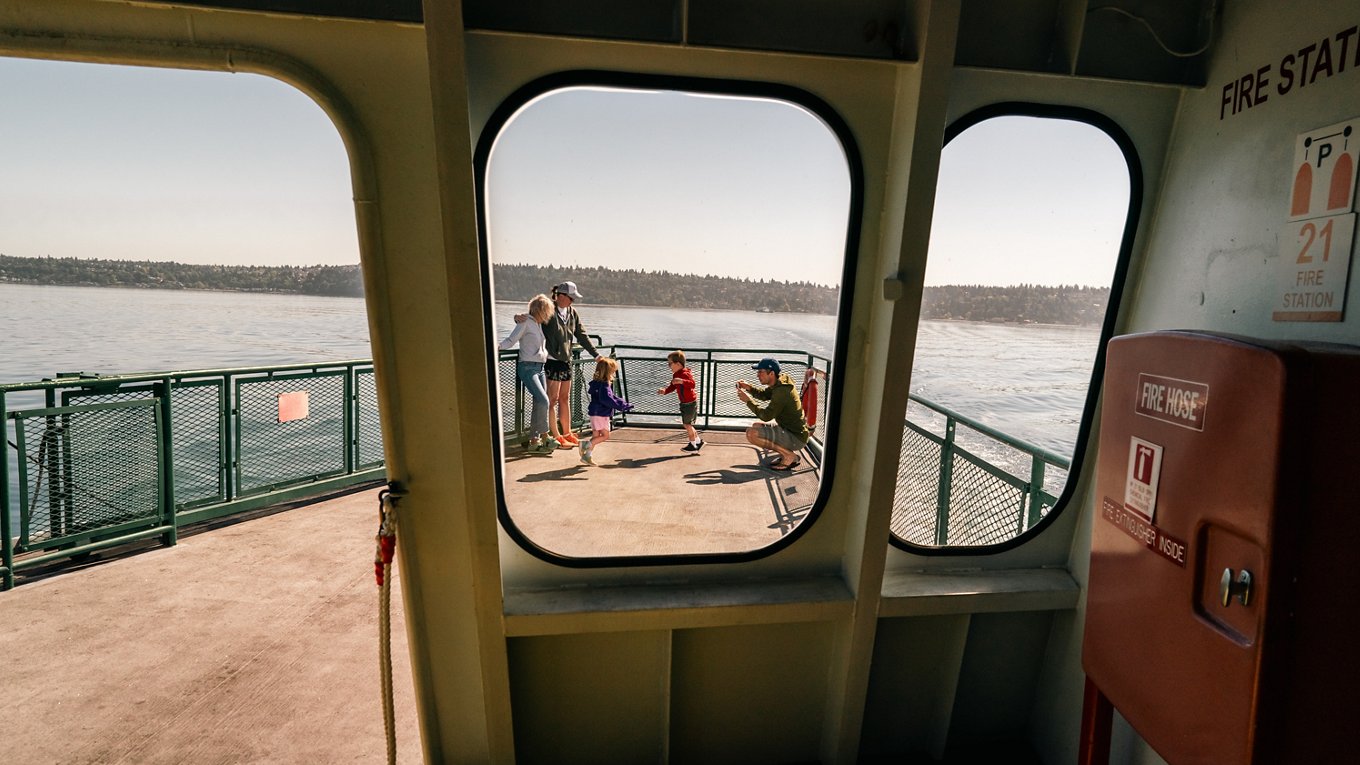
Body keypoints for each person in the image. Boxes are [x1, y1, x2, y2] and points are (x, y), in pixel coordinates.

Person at [518, 280, 601, 448]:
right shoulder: (549, 310)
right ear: (561, 296)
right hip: (552, 361)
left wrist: (596, 355)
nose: (573, 301)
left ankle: (567, 432)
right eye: (571, 298)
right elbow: (533, 318)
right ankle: (555, 435)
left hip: (566, 361)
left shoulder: (572, 312)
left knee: (564, 398)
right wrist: (518, 317)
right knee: (552, 399)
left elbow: (581, 335)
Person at [498, 294, 555, 454]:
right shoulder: (525, 322)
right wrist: (497, 347)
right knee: (544, 400)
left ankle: (534, 442)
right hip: (528, 367)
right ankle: (545, 436)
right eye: (546, 311)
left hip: (540, 367)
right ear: (540, 310)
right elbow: (511, 340)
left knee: (539, 403)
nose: (548, 314)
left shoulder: (537, 324)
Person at [736, 357, 810, 471]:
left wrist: (748, 401)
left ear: (771, 373)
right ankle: (787, 454)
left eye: (760, 372)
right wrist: (749, 388)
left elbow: (766, 416)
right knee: (756, 426)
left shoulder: (782, 391)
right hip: (790, 431)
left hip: (796, 438)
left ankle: (788, 455)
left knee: (752, 434)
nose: (757, 375)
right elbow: (764, 395)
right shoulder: (779, 383)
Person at [581, 356, 632, 465]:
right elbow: (608, 399)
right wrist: (621, 406)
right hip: (601, 413)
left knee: (596, 436)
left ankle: (587, 456)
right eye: (613, 371)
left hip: (594, 412)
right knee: (605, 435)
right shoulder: (604, 385)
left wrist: (622, 403)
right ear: (608, 372)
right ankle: (585, 445)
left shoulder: (596, 383)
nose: (614, 374)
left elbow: (611, 397)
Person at [656, 349, 703, 452]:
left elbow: (692, 384)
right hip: (685, 403)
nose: (669, 366)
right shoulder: (676, 375)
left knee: (687, 425)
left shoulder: (685, 374)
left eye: (670, 364)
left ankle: (693, 445)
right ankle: (698, 442)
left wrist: (682, 381)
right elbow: (672, 386)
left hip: (690, 403)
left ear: (678, 364)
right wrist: (665, 391)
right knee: (688, 424)